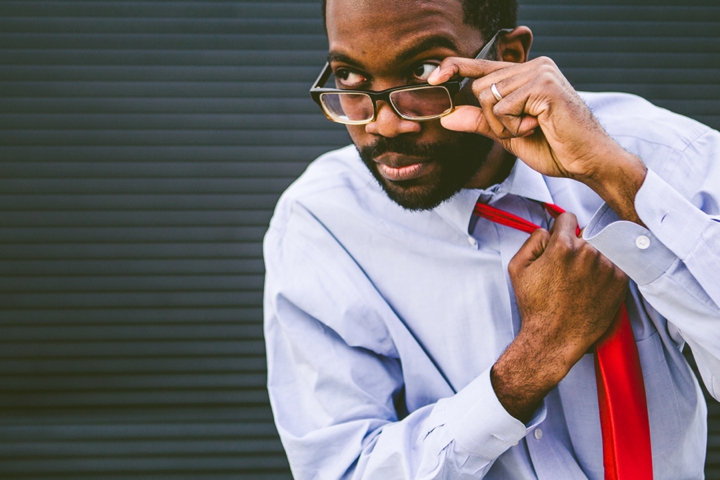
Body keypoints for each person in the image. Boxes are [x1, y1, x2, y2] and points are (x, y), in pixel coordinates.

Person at [263, 0, 720, 478]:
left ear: (509, 54)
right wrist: (534, 358)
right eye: (351, 78)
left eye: (423, 71)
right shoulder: (322, 223)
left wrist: (619, 185)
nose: (384, 124)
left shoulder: (659, 158)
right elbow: (344, 469)